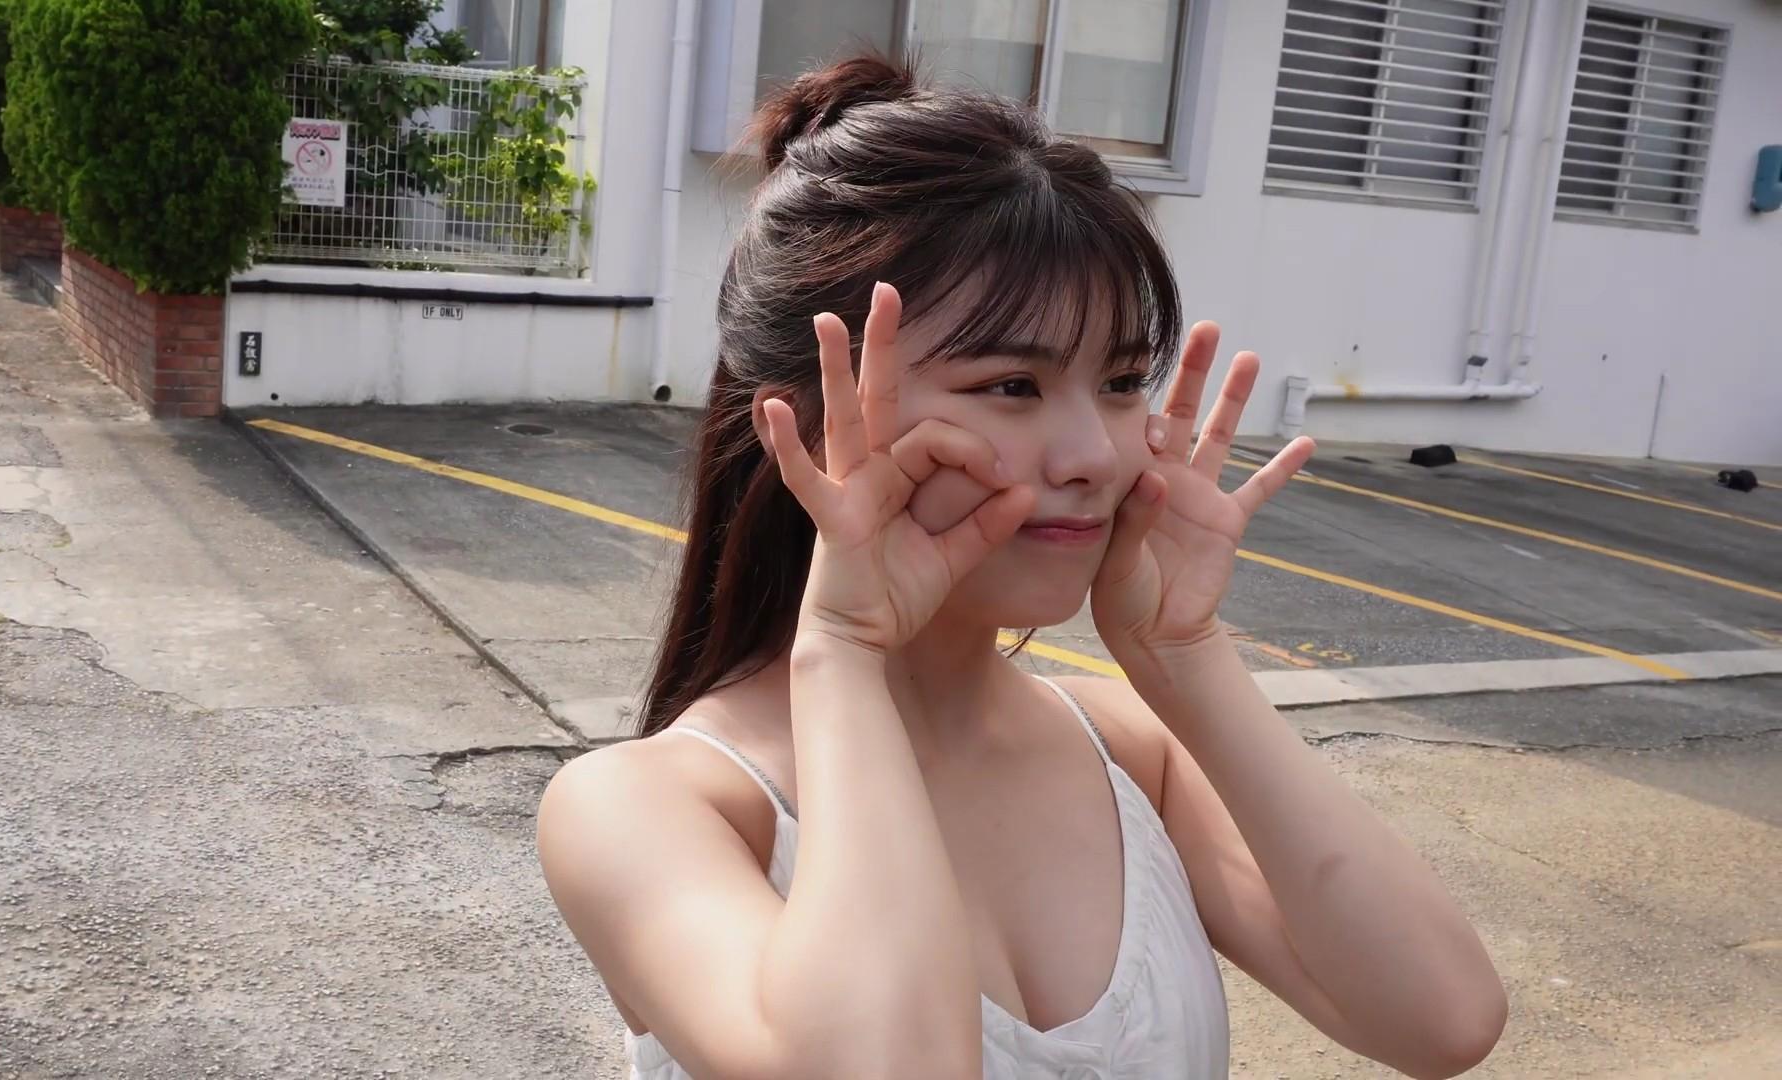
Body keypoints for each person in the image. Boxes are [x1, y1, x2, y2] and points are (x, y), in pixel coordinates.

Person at [537, 54, 1506, 1080]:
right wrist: (842, 651)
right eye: (1011, 385)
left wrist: (1185, 655)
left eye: (1121, 380)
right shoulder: (644, 809)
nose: (1094, 455)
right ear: (806, 421)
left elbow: (1441, 1020)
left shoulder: (1132, 750)